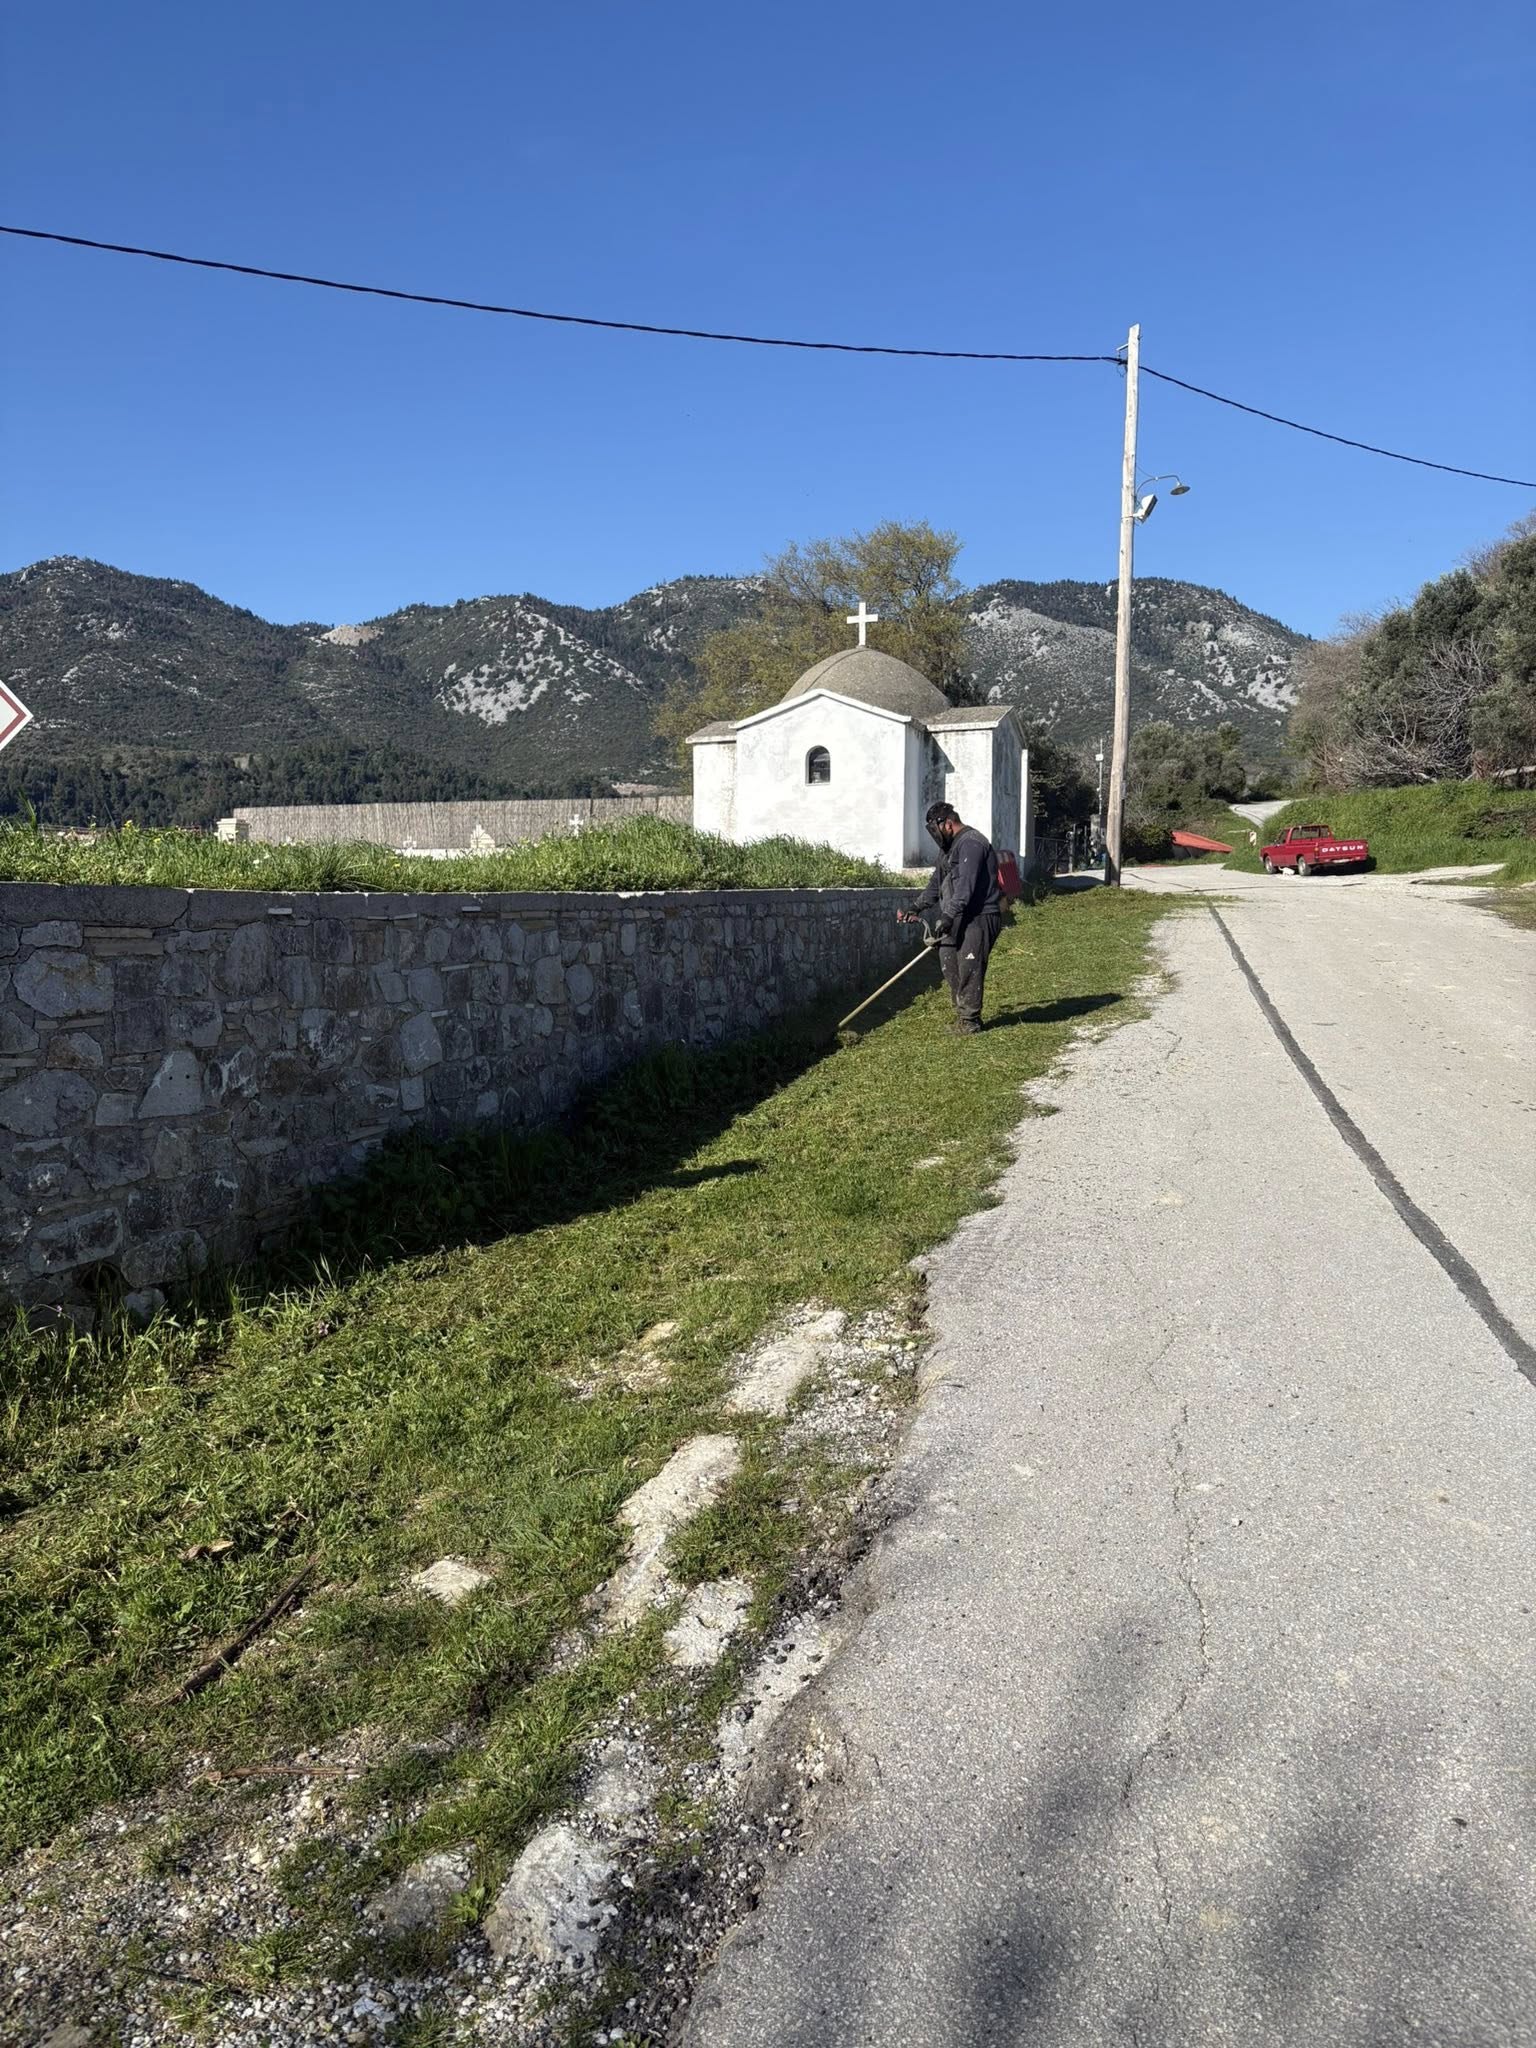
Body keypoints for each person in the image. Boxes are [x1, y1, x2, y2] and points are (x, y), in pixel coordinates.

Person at [899, 802, 1003, 1036]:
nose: (934, 836)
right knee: (948, 961)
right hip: (957, 916)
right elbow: (936, 884)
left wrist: (947, 916)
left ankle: (970, 1021)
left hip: (979, 916)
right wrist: (915, 908)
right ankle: (963, 1013)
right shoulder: (948, 849)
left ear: (947, 823)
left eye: (935, 830)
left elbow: (965, 887)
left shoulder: (972, 843)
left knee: (969, 965)